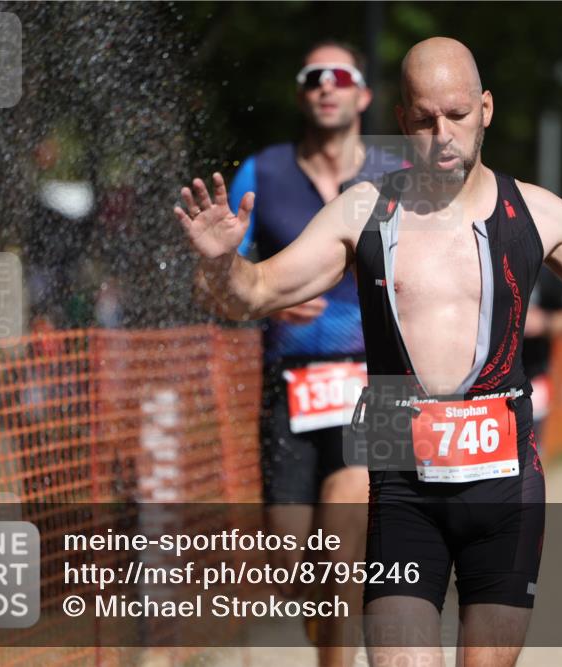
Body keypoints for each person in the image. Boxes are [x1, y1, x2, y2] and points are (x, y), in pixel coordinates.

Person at [175, 37, 562, 667]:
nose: (442, 134)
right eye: (423, 119)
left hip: (504, 493)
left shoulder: (537, 213)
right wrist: (219, 263)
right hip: (402, 491)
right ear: (401, 120)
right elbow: (251, 294)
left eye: (458, 114)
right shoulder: (363, 212)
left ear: (486, 109)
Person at [221, 40, 404, 666]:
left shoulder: (398, 173)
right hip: (291, 381)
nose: (328, 85)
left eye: (341, 75)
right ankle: (331, 642)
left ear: (364, 93)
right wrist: (252, 289)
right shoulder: (261, 173)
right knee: (291, 556)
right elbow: (218, 287)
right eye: (314, 77)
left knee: (344, 531)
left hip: (376, 379)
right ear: (303, 93)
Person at [521, 266, 562, 446]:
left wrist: (543, 323)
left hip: (533, 377)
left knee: (531, 450)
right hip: (483, 382)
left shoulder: (545, 269)